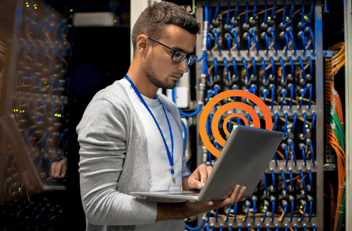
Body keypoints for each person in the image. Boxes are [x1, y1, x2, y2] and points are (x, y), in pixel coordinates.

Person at [76, 2, 246, 231]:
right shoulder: (110, 107)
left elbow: (170, 181)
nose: (184, 67)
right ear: (143, 44)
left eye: (187, 57)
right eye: (176, 54)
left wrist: (191, 182)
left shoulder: (170, 109)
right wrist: (183, 211)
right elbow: (97, 205)